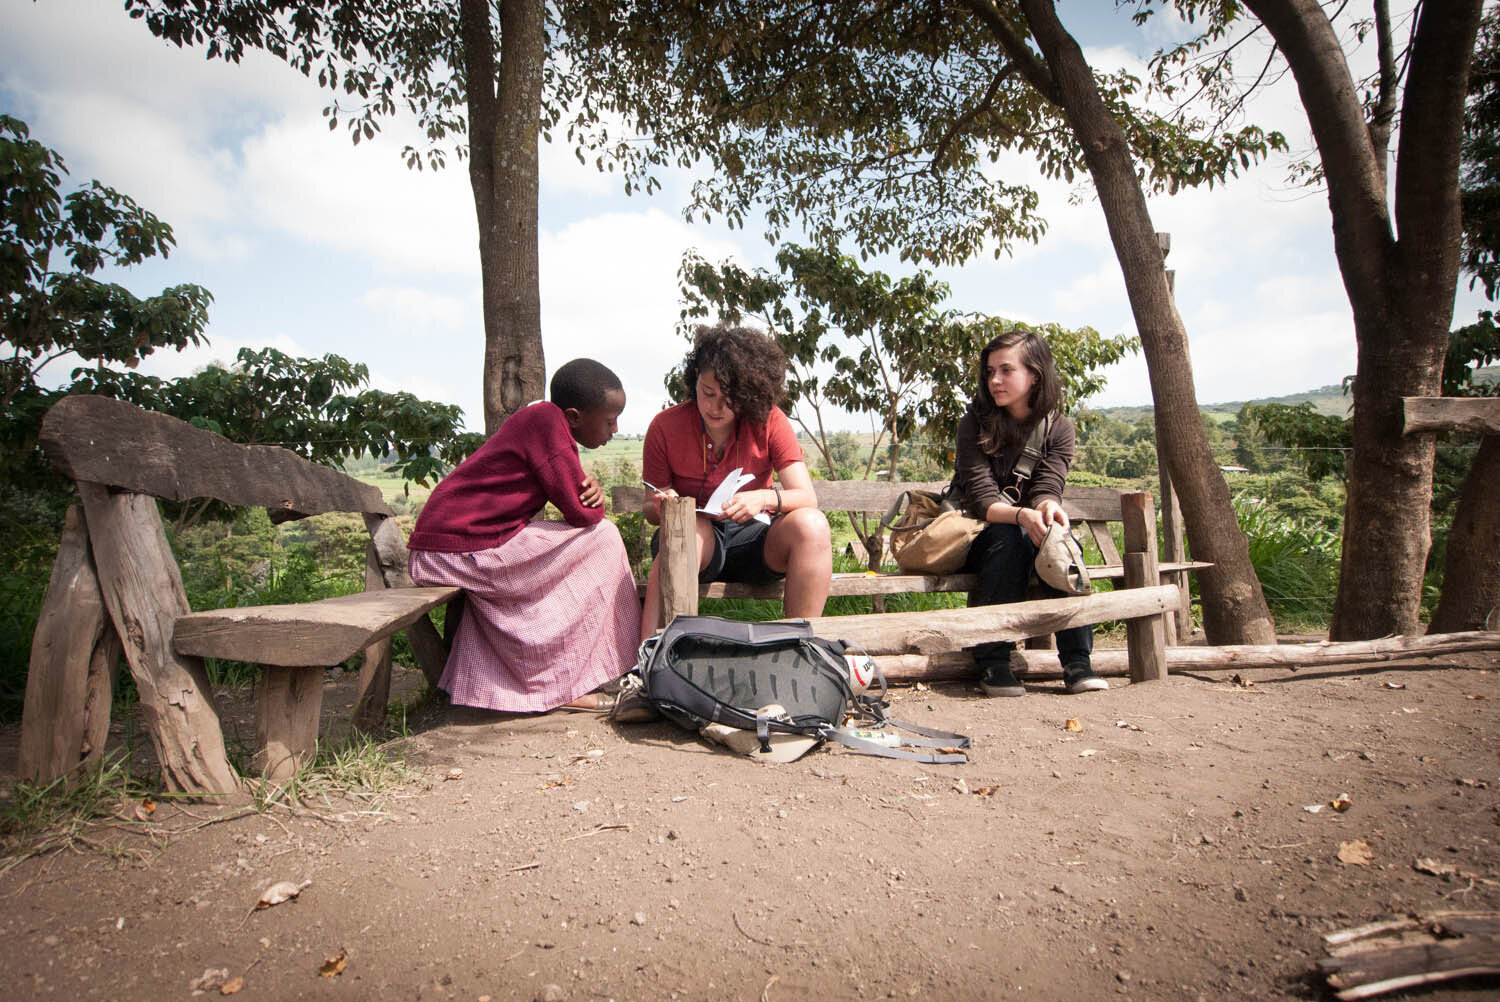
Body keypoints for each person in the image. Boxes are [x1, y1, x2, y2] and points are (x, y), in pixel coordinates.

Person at [406, 358, 639, 714]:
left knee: (598, 539)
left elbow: (572, 492)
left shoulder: (545, 422)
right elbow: (581, 513)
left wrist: (587, 489)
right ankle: (564, 682)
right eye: (609, 421)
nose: (615, 429)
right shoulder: (547, 425)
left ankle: (564, 675)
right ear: (575, 416)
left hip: (458, 548)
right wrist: (597, 500)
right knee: (603, 537)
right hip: (453, 555)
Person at [639, 322, 832, 640]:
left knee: (812, 525)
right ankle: (651, 654)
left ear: (748, 394)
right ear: (695, 378)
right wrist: (664, 504)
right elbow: (650, 506)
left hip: (758, 542)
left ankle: (801, 648)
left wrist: (763, 499)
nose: (715, 407)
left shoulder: (769, 420)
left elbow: (806, 497)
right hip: (695, 547)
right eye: (707, 392)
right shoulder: (665, 426)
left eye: (729, 398)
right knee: (689, 530)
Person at [950, 329, 1106, 697]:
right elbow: (983, 500)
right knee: (1008, 539)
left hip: (1023, 533)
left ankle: (1078, 663)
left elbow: (1048, 488)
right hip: (975, 537)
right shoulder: (974, 422)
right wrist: (1021, 517)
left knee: (1061, 541)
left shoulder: (1059, 428)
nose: (994, 381)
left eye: (1006, 370)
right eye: (990, 372)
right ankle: (992, 660)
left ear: (1035, 374)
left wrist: (1049, 509)